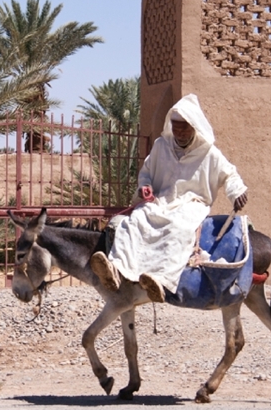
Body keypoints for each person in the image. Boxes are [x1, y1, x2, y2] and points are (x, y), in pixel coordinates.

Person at [90, 93, 248, 302]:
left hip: (192, 204)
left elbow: (230, 175)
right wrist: (145, 187)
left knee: (179, 229)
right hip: (162, 201)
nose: (180, 132)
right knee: (135, 221)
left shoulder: (209, 153)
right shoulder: (161, 147)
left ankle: (161, 280)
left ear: (194, 126)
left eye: (185, 127)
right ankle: (117, 269)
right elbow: (146, 173)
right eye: (176, 127)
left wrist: (237, 191)